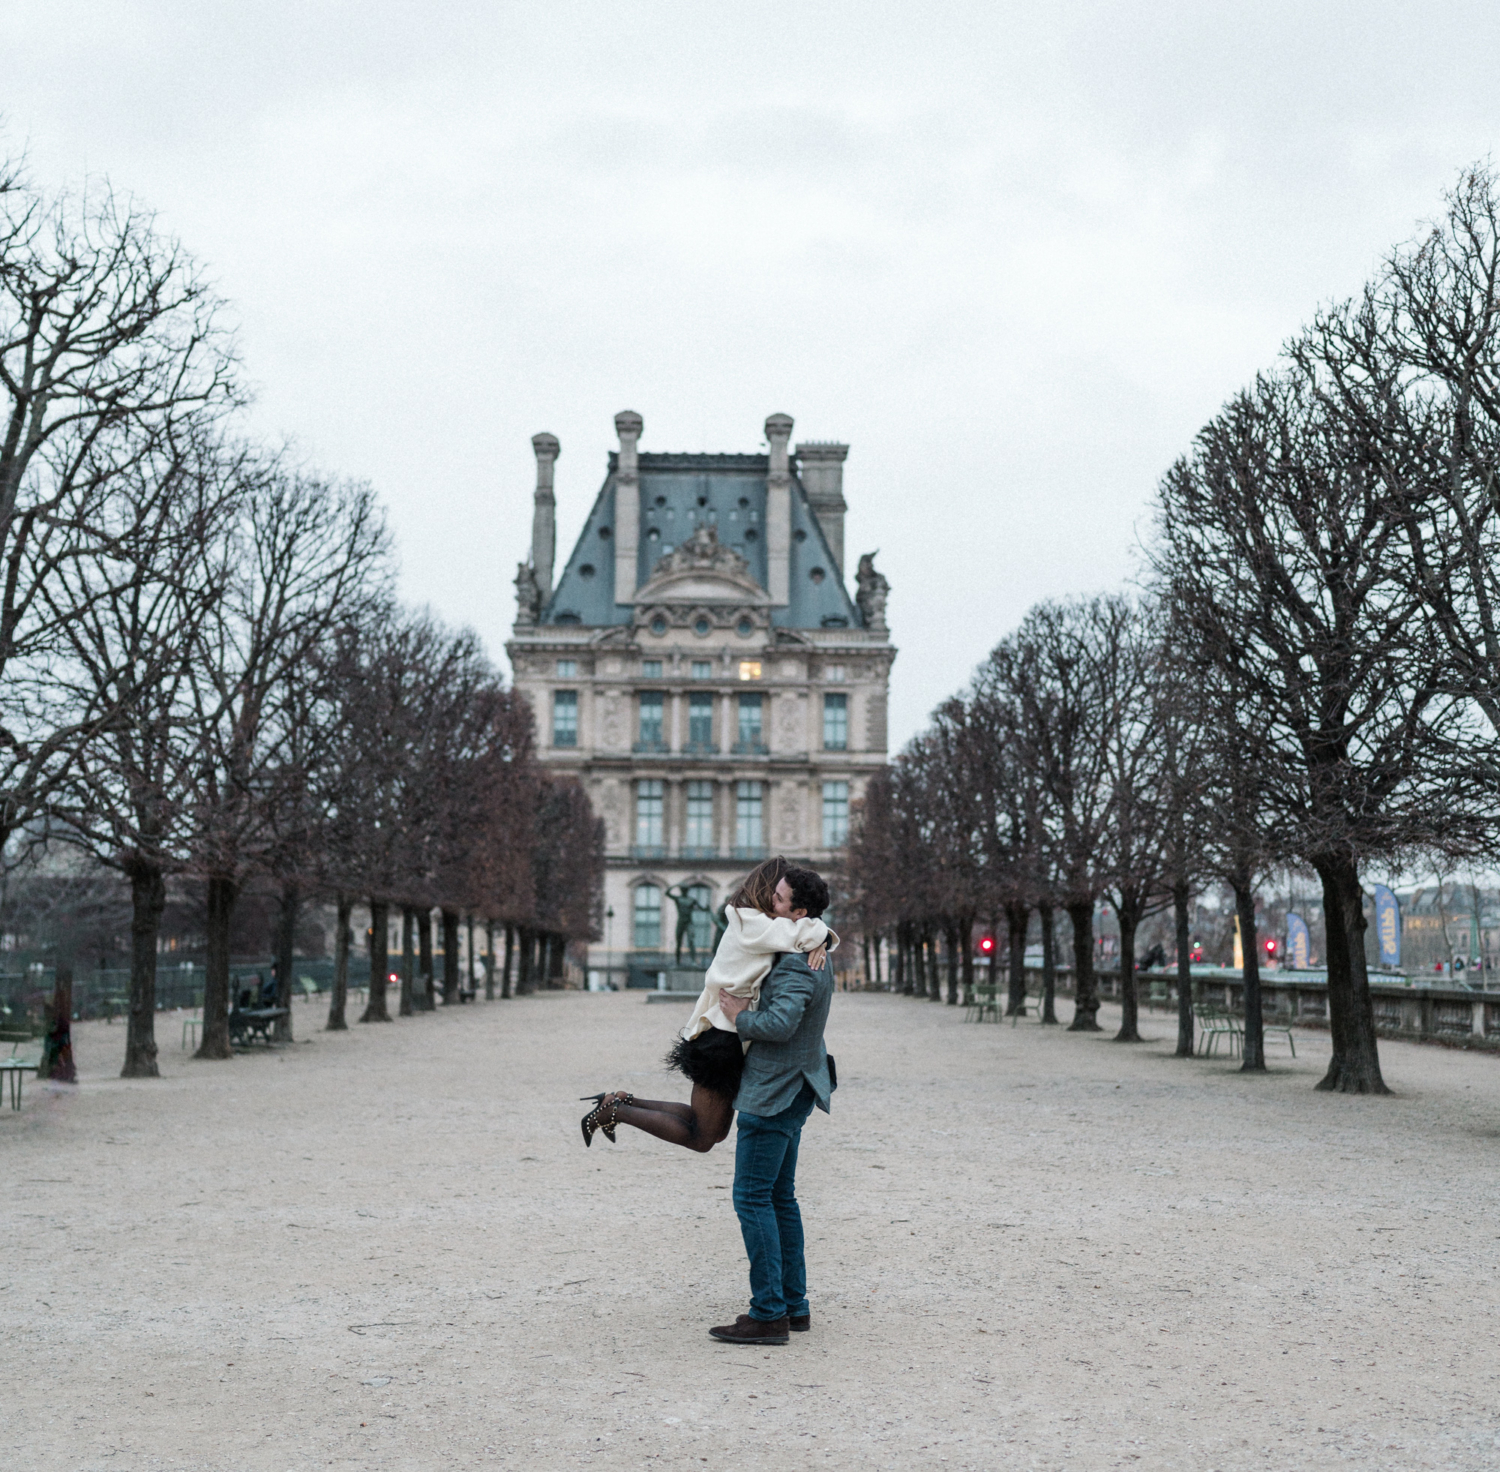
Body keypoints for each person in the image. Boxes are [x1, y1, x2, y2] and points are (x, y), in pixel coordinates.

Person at [580, 857, 831, 1151]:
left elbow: (799, 929)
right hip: (721, 1040)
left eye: (781, 897)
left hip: (723, 1035)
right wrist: (822, 938)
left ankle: (622, 1102)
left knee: (711, 1128)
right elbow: (806, 930)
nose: (776, 901)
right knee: (702, 1137)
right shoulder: (752, 923)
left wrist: (821, 940)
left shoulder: (758, 924)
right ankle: (615, 1111)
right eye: (775, 895)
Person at [708, 864, 836, 1345]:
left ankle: (768, 1314)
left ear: (798, 912)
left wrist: (743, 1016)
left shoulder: (798, 964)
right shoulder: (808, 949)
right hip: (796, 1087)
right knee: (780, 1199)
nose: (769, 904)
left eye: (778, 900)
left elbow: (779, 1025)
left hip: (775, 1092)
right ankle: (793, 1304)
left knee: (753, 1198)